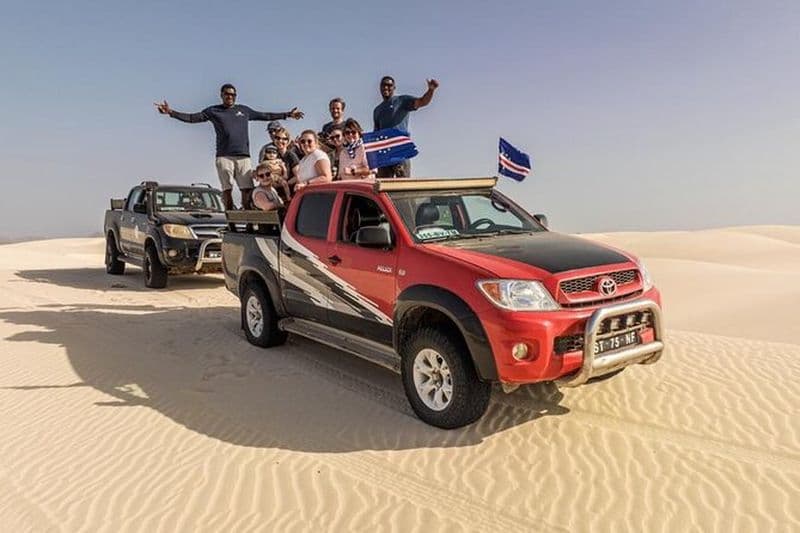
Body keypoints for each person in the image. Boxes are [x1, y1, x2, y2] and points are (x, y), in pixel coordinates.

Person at [154, 83, 304, 210]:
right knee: (227, 189)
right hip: (224, 156)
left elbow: (265, 115)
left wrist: (287, 114)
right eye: (227, 94)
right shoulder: (213, 111)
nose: (230, 97)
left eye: (233, 95)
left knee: (247, 189)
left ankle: (247, 218)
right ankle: (230, 219)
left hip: (243, 156)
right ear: (221, 95)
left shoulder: (243, 110)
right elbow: (192, 118)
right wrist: (171, 112)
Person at [372, 76, 439, 178]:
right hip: (384, 154)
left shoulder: (402, 101)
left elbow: (422, 102)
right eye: (383, 85)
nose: (386, 87)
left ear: (394, 88)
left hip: (400, 151)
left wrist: (431, 90)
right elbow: (376, 134)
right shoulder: (377, 110)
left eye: (389, 85)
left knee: (403, 183)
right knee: (384, 185)